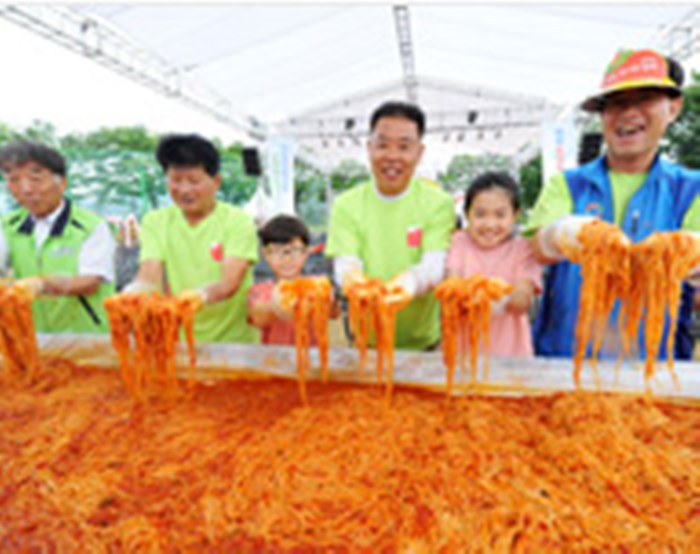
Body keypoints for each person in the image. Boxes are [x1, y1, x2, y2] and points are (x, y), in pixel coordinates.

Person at [527, 48, 700, 358]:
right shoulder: (567, 184)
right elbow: (535, 248)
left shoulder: (691, 190)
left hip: (655, 372)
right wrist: (563, 234)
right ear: (603, 115)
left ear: (673, 108)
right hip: (564, 364)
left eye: (644, 99)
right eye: (616, 103)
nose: (628, 113)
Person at [325, 101, 455, 350]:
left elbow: (434, 264)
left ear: (419, 152)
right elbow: (346, 264)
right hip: (365, 341)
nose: (392, 156)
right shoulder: (346, 205)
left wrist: (405, 285)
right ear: (369, 148)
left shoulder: (439, 203)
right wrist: (358, 284)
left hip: (423, 343)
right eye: (383, 145)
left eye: (404, 147)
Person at [125, 134, 259, 343]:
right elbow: (149, 275)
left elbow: (229, 283)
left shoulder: (238, 221)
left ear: (216, 182)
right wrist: (135, 293)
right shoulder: (156, 221)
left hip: (233, 341)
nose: (184, 190)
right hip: (179, 338)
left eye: (194, 181)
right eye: (175, 180)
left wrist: (197, 297)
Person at [0, 140, 116, 333]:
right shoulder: (7, 225)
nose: (26, 189)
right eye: (14, 180)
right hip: (33, 335)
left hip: (86, 337)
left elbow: (90, 282)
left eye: (35, 179)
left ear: (62, 183)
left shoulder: (91, 226)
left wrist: (43, 283)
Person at [446, 172, 542, 357]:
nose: (490, 224)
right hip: (462, 355)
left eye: (500, 215)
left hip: (511, 357)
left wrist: (484, 299)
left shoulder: (524, 249)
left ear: (515, 215)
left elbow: (521, 300)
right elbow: (452, 287)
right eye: (480, 214)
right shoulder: (459, 242)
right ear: (467, 214)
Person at [248, 214, 338, 345]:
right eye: (278, 251)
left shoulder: (316, 286)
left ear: (306, 252)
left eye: (294, 250)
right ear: (265, 254)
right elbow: (258, 315)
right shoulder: (259, 290)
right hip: (273, 361)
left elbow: (334, 312)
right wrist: (282, 303)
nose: (287, 259)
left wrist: (328, 296)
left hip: (313, 361)